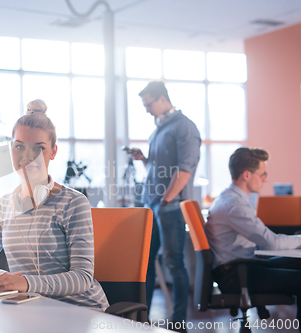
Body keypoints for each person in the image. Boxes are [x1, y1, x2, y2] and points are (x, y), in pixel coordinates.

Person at [0, 113, 109, 311]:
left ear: (53, 152)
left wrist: (25, 283)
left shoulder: (73, 202)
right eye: (19, 146)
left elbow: (82, 278)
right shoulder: (4, 206)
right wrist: (3, 281)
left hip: (81, 310)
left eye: (39, 148)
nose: (27, 156)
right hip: (33, 308)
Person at [128, 81, 201, 329]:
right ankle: (142, 318)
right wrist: (143, 159)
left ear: (162, 99)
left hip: (171, 206)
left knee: (174, 263)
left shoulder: (184, 127)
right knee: (146, 263)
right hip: (155, 204)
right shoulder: (158, 130)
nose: (147, 110)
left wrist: (168, 198)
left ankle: (179, 320)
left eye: (149, 104)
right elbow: (156, 169)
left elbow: (186, 169)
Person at [206, 147, 301, 323]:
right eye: (262, 174)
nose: (265, 179)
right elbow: (271, 243)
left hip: (242, 268)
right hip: (237, 275)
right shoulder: (235, 205)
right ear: (247, 175)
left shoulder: (230, 198)